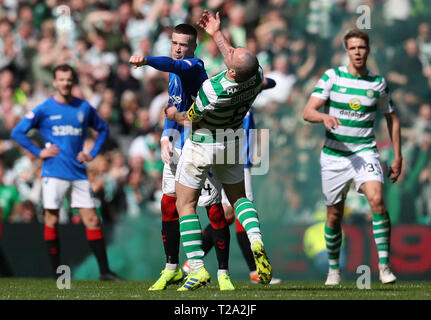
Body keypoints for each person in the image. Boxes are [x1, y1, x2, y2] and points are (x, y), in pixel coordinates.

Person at [164, 10, 273, 291]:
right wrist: (217, 33)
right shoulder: (256, 77)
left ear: (232, 71)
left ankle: (197, 268)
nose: (231, 51)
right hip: (233, 142)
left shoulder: (212, 90)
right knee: (238, 198)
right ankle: (256, 239)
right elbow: (236, 61)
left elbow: (191, 116)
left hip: (204, 144)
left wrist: (172, 115)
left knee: (185, 204)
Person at [129, 23, 234, 291]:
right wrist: (165, 136)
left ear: (194, 47)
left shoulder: (194, 66)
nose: (178, 48)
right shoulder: (174, 73)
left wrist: (147, 60)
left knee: (213, 210)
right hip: (178, 146)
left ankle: (222, 273)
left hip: (201, 146)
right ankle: (172, 268)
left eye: (183, 44)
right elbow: (173, 107)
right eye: (175, 43)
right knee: (168, 204)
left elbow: (172, 66)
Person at [302, 29, 402, 285]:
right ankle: (334, 269)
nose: (358, 52)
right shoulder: (332, 77)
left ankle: (384, 266)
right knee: (334, 215)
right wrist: (324, 116)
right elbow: (308, 111)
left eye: (362, 47)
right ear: (346, 51)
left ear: (368, 50)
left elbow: (392, 117)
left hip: (365, 151)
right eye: (353, 48)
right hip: (334, 156)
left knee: (377, 199)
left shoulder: (377, 83)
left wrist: (397, 155)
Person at [10, 64, 121, 281]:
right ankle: (57, 275)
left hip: (78, 172)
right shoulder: (44, 109)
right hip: (54, 171)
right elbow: (18, 131)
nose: (65, 83)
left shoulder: (83, 108)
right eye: (61, 79)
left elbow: (103, 129)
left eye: (69, 79)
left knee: (92, 220)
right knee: (51, 219)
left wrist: (92, 153)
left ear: (73, 81)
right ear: (54, 82)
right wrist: (39, 152)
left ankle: (105, 272)